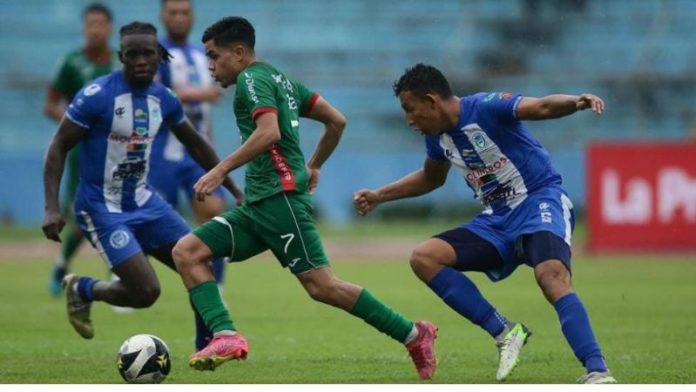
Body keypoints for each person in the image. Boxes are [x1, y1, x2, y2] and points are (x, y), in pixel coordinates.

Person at [170, 17, 438, 380]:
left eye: (214, 56)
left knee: (322, 286)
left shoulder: (251, 80)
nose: (211, 66)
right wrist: (313, 165)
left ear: (238, 52)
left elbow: (268, 133)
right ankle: (226, 335)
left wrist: (220, 170)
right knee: (188, 252)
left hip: (280, 200)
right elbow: (337, 121)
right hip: (259, 205)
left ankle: (413, 334)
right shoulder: (281, 79)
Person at [353, 64, 616, 384]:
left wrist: (576, 102)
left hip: (538, 201)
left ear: (431, 100)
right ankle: (505, 332)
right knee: (425, 257)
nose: (409, 119)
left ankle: (597, 370)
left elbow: (541, 106)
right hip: (496, 221)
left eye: (410, 109)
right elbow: (430, 178)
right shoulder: (438, 138)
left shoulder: (486, 107)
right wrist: (381, 195)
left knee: (551, 277)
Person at [41, 21, 242, 342]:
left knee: (201, 257)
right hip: (101, 207)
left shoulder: (164, 98)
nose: (140, 61)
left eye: (147, 54)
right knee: (146, 291)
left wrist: (231, 187)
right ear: (122, 56)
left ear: (158, 55)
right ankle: (84, 288)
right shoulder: (96, 96)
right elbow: (58, 146)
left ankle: (208, 345)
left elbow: (195, 143)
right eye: (132, 55)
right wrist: (52, 207)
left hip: (144, 201)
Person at [151, 0, 242, 350]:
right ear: (163, 15)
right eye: (172, 12)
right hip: (162, 154)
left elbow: (204, 113)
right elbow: (159, 94)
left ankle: (214, 290)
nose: (178, 17)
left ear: (192, 16)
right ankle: (125, 276)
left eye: (184, 11)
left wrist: (214, 159)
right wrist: (200, 92)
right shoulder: (152, 53)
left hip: (196, 153)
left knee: (213, 217)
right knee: (157, 226)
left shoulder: (204, 54)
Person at [44, 3, 120, 297]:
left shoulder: (120, 61)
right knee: (81, 216)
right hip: (83, 152)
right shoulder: (72, 62)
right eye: (90, 24)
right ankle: (62, 263)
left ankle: (118, 270)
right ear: (84, 27)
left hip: (120, 152)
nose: (96, 29)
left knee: (119, 209)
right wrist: (73, 124)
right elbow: (50, 103)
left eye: (101, 24)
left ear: (110, 27)